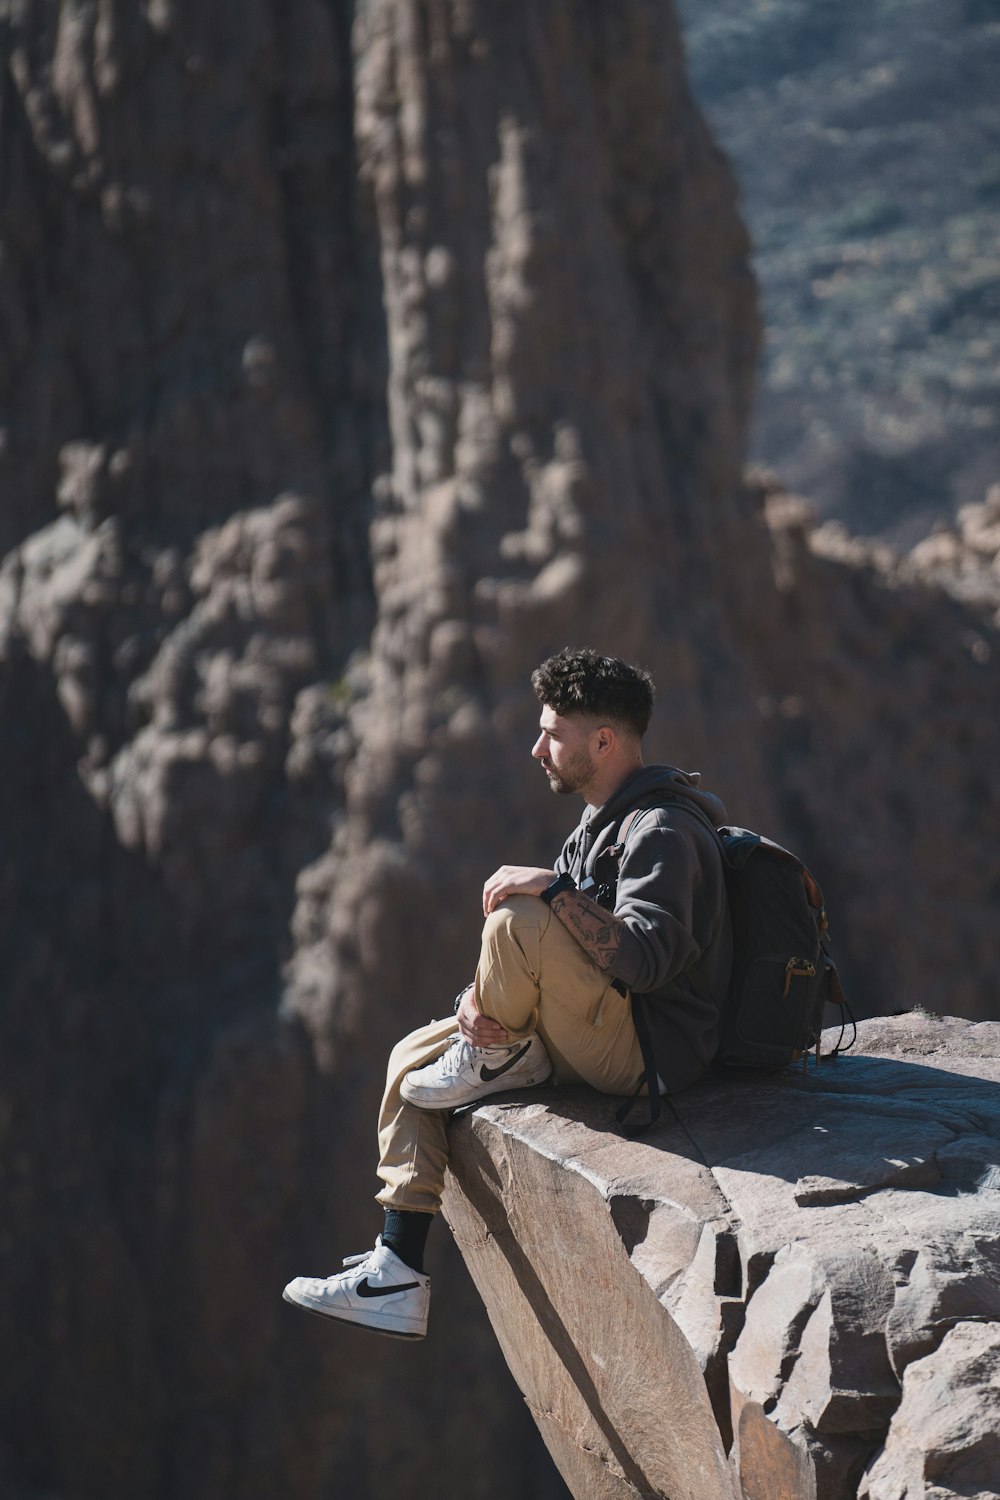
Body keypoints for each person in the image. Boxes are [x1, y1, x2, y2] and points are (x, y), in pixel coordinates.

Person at [282, 648, 732, 1338]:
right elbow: (563, 949)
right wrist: (473, 1000)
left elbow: (644, 960)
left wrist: (553, 889)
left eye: (553, 732)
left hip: (646, 1053)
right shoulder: (602, 822)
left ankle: (500, 1055)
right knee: (412, 1058)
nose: (537, 748)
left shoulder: (662, 831)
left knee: (518, 915)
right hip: (597, 1023)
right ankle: (397, 1269)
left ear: (604, 741)